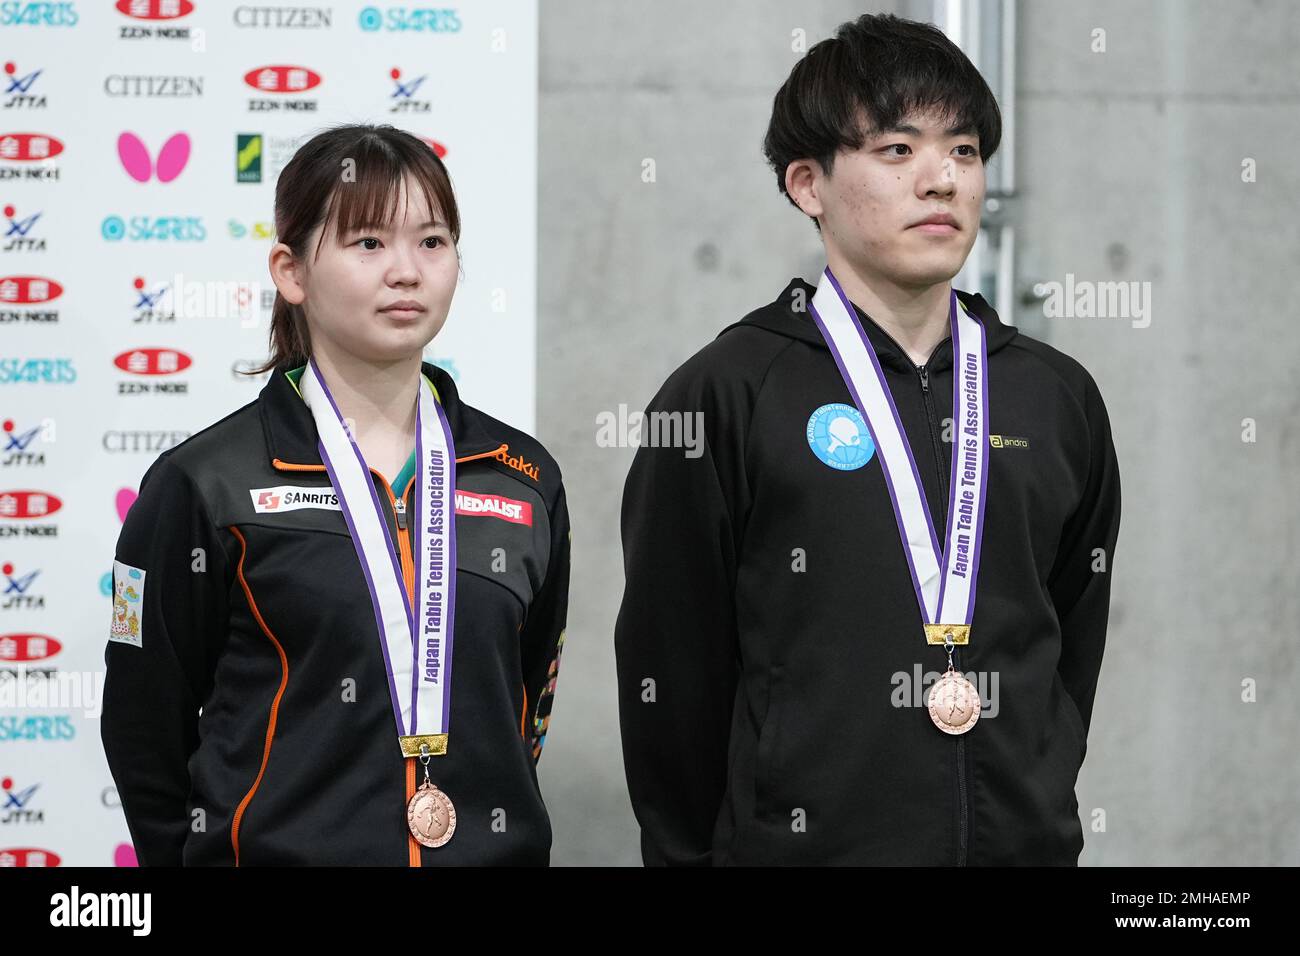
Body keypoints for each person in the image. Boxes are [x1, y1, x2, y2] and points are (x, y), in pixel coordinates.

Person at [614, 13, 1121, 865]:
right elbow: (673, 681)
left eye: (963, 151)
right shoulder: (726, 395)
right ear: (808, 184)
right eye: (898, 150)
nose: (942, 181)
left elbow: (1070, 650)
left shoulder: (1053, 395)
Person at [102, 123, 571, 866]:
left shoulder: (521, 477)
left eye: (433, 241)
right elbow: (141, 725)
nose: (407, 271)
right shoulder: (206, 483)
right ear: (291, 271)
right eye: (368, 244)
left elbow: (526, 706)